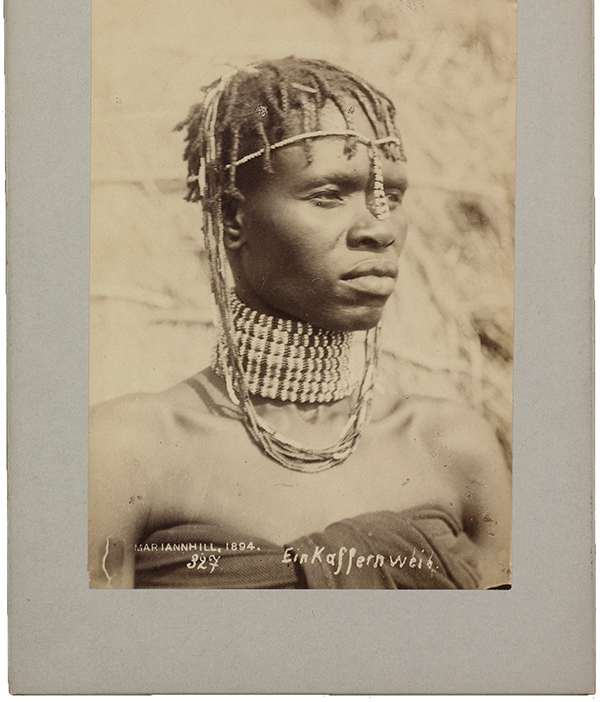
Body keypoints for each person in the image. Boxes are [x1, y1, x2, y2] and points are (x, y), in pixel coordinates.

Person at [88, 57, 511, 589]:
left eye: (392, 196)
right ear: (232, 220)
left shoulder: (453, 445)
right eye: (328, 194)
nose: (379, 228)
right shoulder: (125, 452)